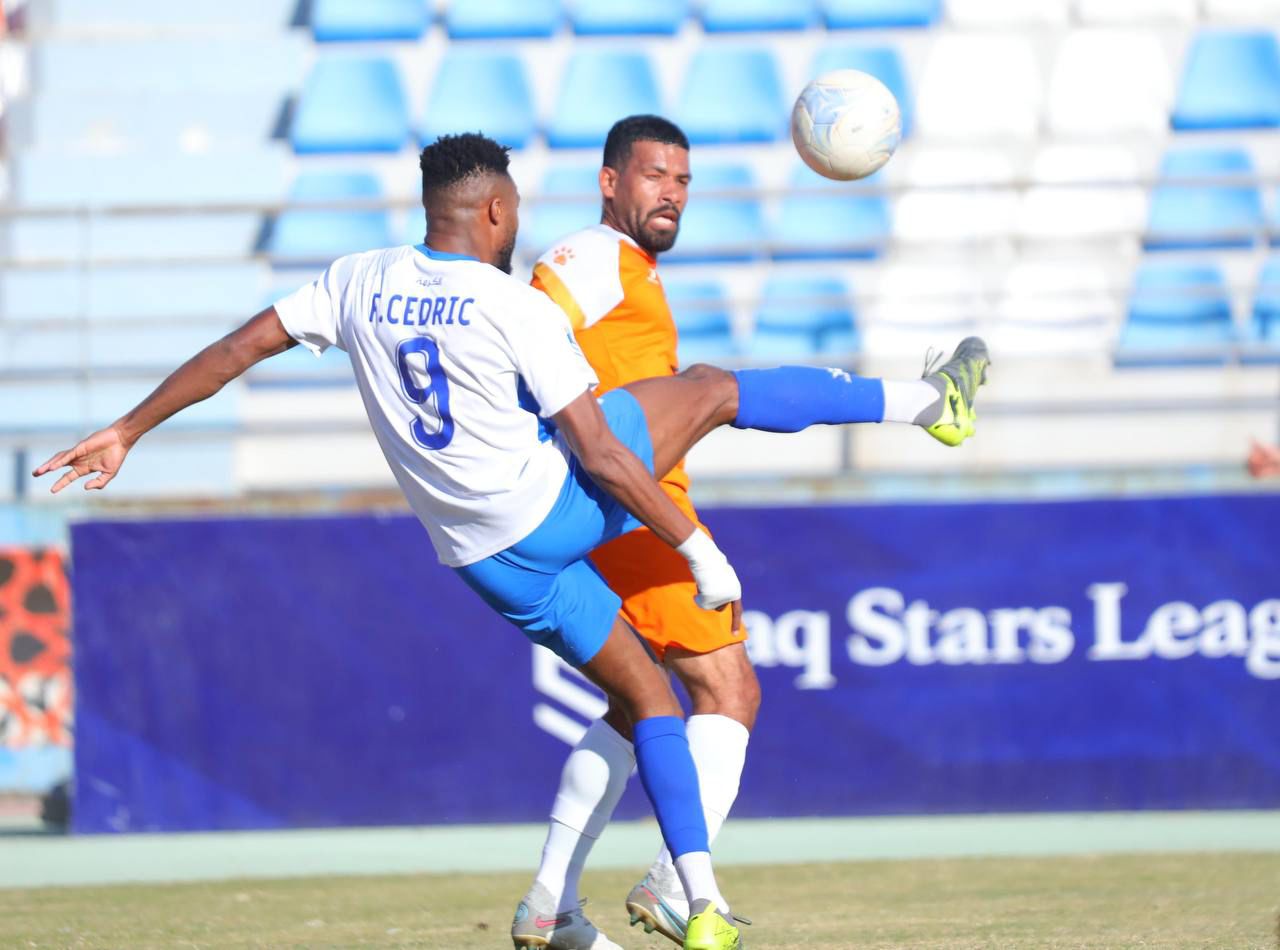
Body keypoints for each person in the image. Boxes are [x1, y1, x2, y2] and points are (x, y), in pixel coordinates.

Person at [33, 133, 989, 950]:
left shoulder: (353, 282)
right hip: (559, 506)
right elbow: (608, 461)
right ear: (493, 210)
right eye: (516, 208)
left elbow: (236, 350)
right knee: (711, 390)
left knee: (646, 693)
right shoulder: (519, 304)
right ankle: (926, 406)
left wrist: (129, 428)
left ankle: (647, 907)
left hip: (484, 562)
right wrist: (696, 548)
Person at [518, 114, 985, 949]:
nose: (671, 193)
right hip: (632, 506)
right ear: (610, 181)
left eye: (684, 181)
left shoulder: (628, 268)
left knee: (636, 706)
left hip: (611, 501)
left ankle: (550, 899)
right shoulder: (591, 258)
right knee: (728, 690)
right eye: (654, 175)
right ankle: (669, 884)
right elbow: (523, 327)